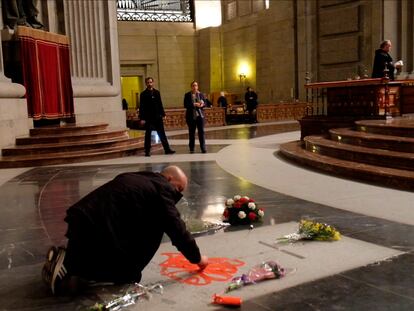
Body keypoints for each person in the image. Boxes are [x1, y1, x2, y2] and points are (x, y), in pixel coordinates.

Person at [41, 165, 209, 295]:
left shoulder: (137, 177)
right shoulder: (162, 190)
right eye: (178, 189)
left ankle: (69, 260)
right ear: (169, 178)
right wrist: (198, 258)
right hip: (96, 230)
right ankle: (68, 266)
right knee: (128, 274)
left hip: (82, 220)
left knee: (143, 227)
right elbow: (177, 229)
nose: (177, 194)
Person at [138, 77, 175, 156]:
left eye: (150, 82)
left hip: (157, 117)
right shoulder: (143, 94)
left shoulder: (157, 92)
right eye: (148, 82)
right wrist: (142, 118)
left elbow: (160, 104)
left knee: (162, 133)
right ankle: (147, 151)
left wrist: (163, 114)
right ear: (146, 83)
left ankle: (167, 149)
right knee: (148, 134)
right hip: (148, 118)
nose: (149, 84)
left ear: (153, 83)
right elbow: (142, 107)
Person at [184, 81, 207, 153]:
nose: (195, 87)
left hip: (200, 116)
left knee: (201, 132)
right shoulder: (187, 95)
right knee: (191, 133)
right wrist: (194, 104)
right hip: (191, 116)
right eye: (193, 86)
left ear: (198, 87)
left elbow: (206, 103)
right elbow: (185, 105)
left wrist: (202, 105)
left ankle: (203, 148)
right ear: (191, 87)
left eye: (196, 85)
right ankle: (192, 148)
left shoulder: (201, 94)